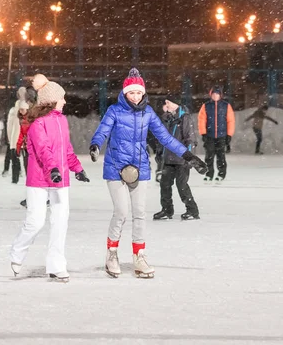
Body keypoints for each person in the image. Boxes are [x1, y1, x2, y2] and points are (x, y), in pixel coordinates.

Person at [90, 68, 205, 279]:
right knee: (122, 212)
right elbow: (103, 131)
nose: (135, 96)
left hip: (140, 168)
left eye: (139, 93)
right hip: (116, 168)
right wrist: (96, 145)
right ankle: (112, 254)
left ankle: (139, 256)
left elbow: (166, 138)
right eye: (131, 93)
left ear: (143, 93)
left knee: (140, 213)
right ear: (125, 93)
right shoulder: (114, 111)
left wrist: (188, 156)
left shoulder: (148, 112)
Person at [10, 78, 89, 282]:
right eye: (62, 98)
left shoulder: (62, 120)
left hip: (60, 180)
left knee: (60, 222)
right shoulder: (38, 124)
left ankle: (56, 265)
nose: (64, 101)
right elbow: (44, 150)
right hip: (40, 179)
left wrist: (77, 168)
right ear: (52, 100)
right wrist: (53, 169)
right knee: (36, 222)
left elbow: (66, 149)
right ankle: (17, 253)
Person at [153, 98, 200, 221]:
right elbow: (162, 138)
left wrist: (189, 157)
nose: (166, 105)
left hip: (181, 159)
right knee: (165, 185)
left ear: (176, 104)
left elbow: (190, 138)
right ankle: (167, 210)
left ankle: (192, 210)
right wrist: (159, 152)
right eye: (166, 102)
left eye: (169, 102)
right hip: (168, 159)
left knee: (182, 185)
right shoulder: (167, 118)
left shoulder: (185, 118)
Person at [198, 86, 235, 182]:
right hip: (209, 135)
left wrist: (229, 135)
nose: (215, 96)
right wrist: (203, 133)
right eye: (213, 94)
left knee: (221, 156)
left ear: (220, 95)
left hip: (222, 135)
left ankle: (221, 174)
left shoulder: (226, 105)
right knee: (209, 156)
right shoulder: (206, 106)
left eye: (217, 94)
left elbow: (230, 121)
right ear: (211, 95)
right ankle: (209, 174)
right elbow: (201, 120)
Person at [2, 87, 25, 183]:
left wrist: (9, 137)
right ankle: (28, 177)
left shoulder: (14, 110)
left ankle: (14, 177)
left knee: (14, 157)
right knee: (23, 158)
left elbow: (9, 126)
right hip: (23, 138)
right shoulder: (29, 109)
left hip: (16, 138)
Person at [15, 100, 30, 175]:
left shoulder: (32, 118)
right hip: (26, 146)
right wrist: (18, 148)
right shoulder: (21, 119)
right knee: (26, 164)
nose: (21, 111)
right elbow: (20, 135)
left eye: (22, 109)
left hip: (33, 146)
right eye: (20, 110)